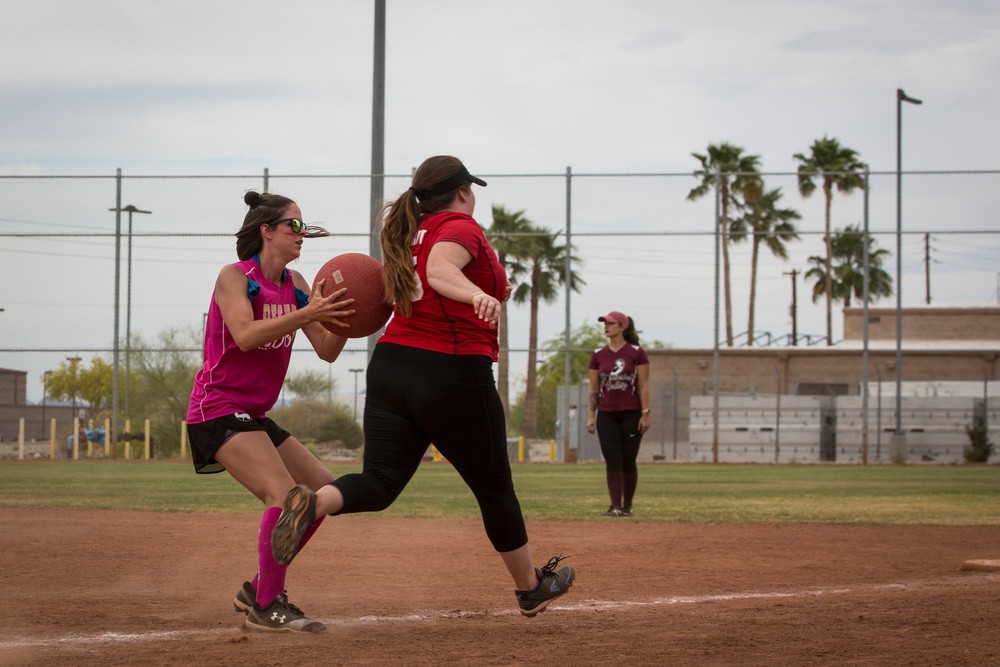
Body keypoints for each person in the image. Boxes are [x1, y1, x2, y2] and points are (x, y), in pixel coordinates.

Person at [270, 155, 575, 617]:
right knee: (494, 488)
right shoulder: (460, 226)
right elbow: (439, 273)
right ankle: (531, 587)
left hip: (391, 367)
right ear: (463, 192)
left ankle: (314, 502)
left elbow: (409, 288)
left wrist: (487, 285)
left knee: (380, 481)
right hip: (451, 374)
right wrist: (475, 293)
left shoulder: (408, 234)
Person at [185, 191, 355, 633]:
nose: (302, 234)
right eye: (293, 226)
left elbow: (327, 350)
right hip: (217, 407)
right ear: (266, 231)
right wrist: (307, 313)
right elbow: (244, 334)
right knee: (285, 497)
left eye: (303, 226)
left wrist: (349, 318)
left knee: (321, 493)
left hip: (253, 414)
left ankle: (258, 587)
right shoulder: (236, 277)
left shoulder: (297, 283)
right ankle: (268, 605)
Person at [586, 311, 650, 517]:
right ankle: (615, 506)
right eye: (604, 323)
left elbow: (644, 385)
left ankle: (627, 505)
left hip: (631, 413)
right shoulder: (598, 354)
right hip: (606, 414)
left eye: (610, 323)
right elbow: (594, 388)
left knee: (628, 460)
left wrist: (645, 413)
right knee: (612, 460)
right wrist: (590, 415)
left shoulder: (636, 352)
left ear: (622, 327)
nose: (606, 326)